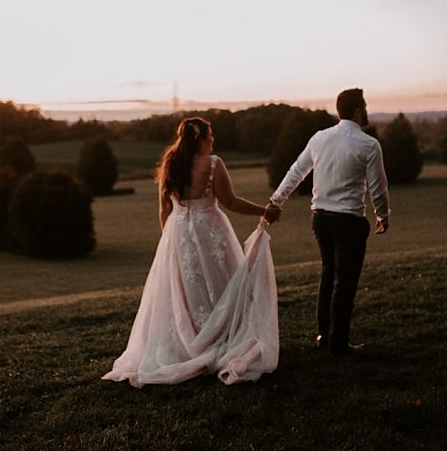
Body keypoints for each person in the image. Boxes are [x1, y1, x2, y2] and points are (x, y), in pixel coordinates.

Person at [103, 117, 281, 387]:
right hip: (209, 230)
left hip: (178, 233)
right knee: (222, 284)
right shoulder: (213, 164)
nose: (213, 140)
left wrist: (171, 242)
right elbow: (230, 201)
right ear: (200, 139)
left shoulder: (171, 163)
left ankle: (190, 341)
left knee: (185, 290)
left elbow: (164, 210)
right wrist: (264, 211)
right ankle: (221, 337)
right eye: (210, 135)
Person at [266, 88, 391, 356]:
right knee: (344, 283)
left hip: (320, 218)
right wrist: (383, 214)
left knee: (328, 274)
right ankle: (338, 344)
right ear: (358, 111)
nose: (367, 110)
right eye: (365, 106)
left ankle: (324, 335)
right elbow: (378, 186)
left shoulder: (320, 138)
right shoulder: (368, 144)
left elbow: (296, 172)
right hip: (348, 221)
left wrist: (276, 200)